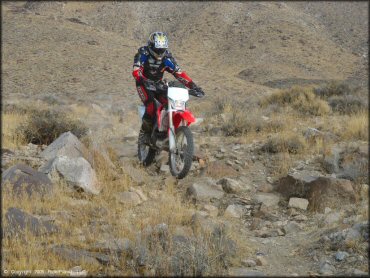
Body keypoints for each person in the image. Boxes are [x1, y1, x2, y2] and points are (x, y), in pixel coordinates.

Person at [132, 31, 205, 137]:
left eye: (162, 49)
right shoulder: (143, 54)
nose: (160, 52)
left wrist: (193, 86)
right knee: (151, 107)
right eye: (158, 49)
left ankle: (165, 131)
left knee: (171, 104)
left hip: (158, 84)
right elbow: (136, 70)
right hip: (143, 83)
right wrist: (141, 78)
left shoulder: (167, 58)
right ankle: (145, 135)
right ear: (151, 46)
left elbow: (179, 74)